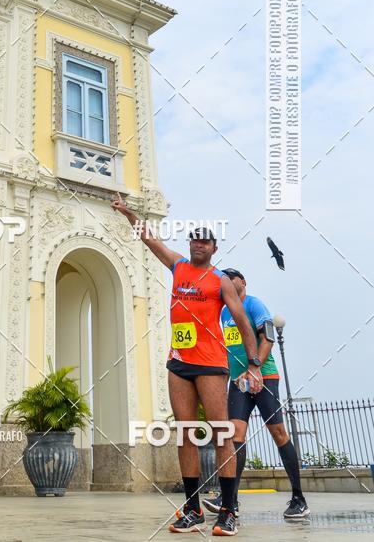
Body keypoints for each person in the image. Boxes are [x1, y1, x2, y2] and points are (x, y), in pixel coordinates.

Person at [112, 196, 263, 537]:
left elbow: (241, 321)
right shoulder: (178, 266)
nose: (198, 243)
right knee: (185, 432)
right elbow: (149, 238)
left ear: (214, 247)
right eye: (194, 238)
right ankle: (192, 508)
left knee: (220, 432)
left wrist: (253, 364)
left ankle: (228, 509)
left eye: (205, 240)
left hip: (211, 365)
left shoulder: (220, 280)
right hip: (179, 363)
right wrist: (127, 212)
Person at [202, 268, 309, 520]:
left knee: (279, 433)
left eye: (231, 276)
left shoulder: (254, 304)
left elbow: (268, 337)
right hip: (239, 383)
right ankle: (231, 500)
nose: (226, 280)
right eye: (223, 278)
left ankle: (299, 498)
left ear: (243, 281)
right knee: (235, 436)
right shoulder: (225, 312)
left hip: (264, 378)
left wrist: (255, 369)